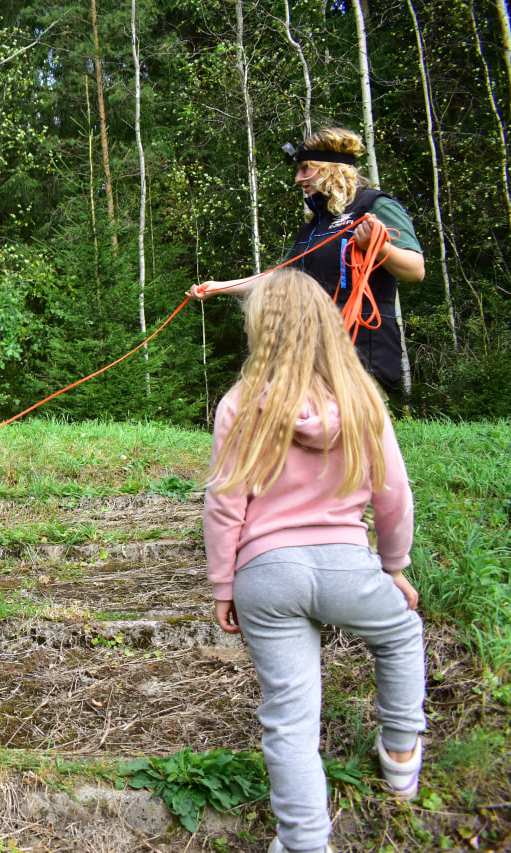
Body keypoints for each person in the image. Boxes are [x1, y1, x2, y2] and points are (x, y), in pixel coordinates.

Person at [203, 268, 426, 853]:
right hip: (347, 567)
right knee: (401, 635)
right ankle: (402, 752)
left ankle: (304, 841)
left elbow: (225, 502)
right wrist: (394, 566)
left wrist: (223, 585)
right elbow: (393, 493)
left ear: (261, 332)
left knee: (288, 715)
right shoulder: (361, 400)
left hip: (265, 576)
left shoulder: (239, 403)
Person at [190, 127, 425, 391]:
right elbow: (280, 277)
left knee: (352, 431)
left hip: (361, 353)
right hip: (313, 353)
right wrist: (220, 287)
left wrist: (378, 248)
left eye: (305, 169)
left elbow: (415, 270)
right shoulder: (315, 225)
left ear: (331, 168)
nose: (297, 178)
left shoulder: (375, 205)